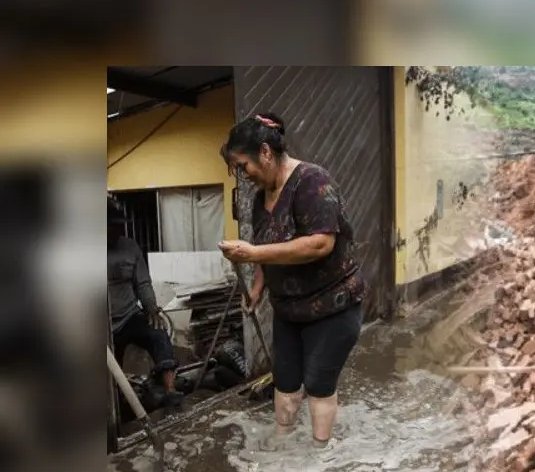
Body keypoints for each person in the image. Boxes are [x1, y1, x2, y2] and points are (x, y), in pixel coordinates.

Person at [218, 112, 367, 450]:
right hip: (289, 311)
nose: (244, 175)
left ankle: (319, 458)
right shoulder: (259, 200)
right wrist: (257, 287)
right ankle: (282, 449)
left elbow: (321, 243)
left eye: (244, 166)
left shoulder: (313, 181)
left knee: (318, 385)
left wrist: (252, 254)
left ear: (266, 153)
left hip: (333, 306)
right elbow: (266, 248)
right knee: (284, 385)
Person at [107, 197, 183, 408]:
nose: (116, 232)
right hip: (101, 326)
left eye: (118, 227)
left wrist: (151, 307)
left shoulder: (129, 247)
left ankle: (170, 390)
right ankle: (117, 404)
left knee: (158, 335)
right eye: (111, 227)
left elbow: (142, 283)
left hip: (129, 317)